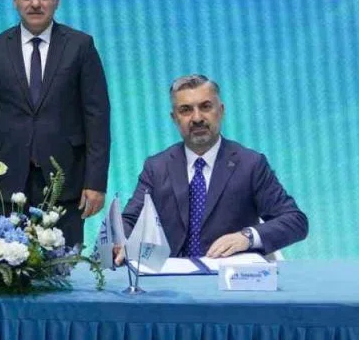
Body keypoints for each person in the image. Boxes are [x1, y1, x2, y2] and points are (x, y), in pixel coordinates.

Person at [0, 0, 111, 246]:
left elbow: (97, 118)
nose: (35, 3)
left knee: (63, 266)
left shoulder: (80, 46)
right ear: (15, 1)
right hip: (6, 184)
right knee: (7, 263)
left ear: (56, 1)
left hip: (65, 183)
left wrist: (95, 182)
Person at [118, 74, 307, 262]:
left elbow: (295, 220)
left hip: (228, 275)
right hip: (170, 276)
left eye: (205, 107)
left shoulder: (250, 164)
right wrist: (119, 242)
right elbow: (130, 221)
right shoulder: (157, 167)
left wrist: (247, 237)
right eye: (186, 110)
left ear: (221, 111)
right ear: (174, 118)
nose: (197, 118)